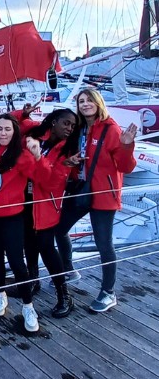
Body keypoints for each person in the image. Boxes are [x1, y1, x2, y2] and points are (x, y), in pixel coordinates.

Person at [55, 89, 137, 313]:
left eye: (89, 100)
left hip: (103, 194)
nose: (85, 104)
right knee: (59, 229)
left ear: (98, 102)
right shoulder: (80, 128)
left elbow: (126, 166)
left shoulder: (111, 129)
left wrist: (127, 145)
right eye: (81, 101)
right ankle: (69, 269)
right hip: (81, 191)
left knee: (104, 243)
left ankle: (108, 292)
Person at [0, 114, 45, 333]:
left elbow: (41, 177)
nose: (3, 133)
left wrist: (38, 156)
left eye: (7, 129)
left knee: (17, 262)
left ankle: (28, 306)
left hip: (13, 218)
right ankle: (1, 295)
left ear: (15, 132)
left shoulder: (22, 156)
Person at [22, 109, 81, 318]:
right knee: (28, 243)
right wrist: (24, 112)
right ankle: (32, 281)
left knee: (47, 248)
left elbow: (51, 182)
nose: (69, 128)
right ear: (54, 122)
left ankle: (64, 295)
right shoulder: (40, 137)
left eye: (72, 126)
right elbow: (16, 122)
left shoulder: (67, 152)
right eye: (66, 123)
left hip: (46, 205)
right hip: (27, 201)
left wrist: (38, 157)